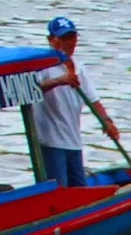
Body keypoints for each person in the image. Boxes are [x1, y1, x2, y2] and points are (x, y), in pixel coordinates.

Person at [34, 16, 119, 188]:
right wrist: (60, 80)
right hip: (51, 142)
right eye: (63, 38)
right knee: (60, 192)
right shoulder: (42, 66)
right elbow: (33, 90)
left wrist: (106, 121)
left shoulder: (79, 67)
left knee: (79, 188)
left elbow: (93, 99)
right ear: (51, 40)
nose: (69, 43)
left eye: (72, 38)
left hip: (73, 141)